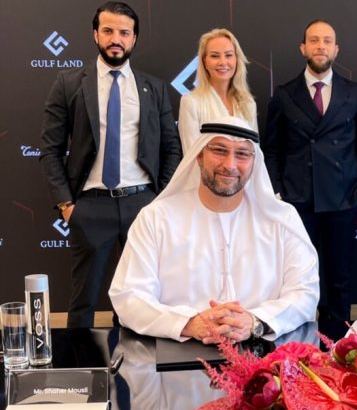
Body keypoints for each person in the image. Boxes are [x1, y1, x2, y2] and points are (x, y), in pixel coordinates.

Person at [109, 117, 319, 342]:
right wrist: (189, 323)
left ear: (254, 162)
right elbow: (129, 296)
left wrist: (254, 321)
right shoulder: (156, 217)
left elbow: (304, 292)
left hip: (261, 351)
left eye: (242, 154)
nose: (230, 165)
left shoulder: (282, 219)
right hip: (178, 353)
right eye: (220, 150)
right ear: (199, 156)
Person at [40, 1, 182, 328]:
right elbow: (50, 149)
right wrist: (67, 205)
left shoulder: (154, 88)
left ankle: (132, 364)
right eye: (108, 31)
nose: (116, 39)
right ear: (95, 34)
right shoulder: (69, 83)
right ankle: (80, 362)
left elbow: (171, 148)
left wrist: (158, 200)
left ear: (134, 38)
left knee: (141, 302)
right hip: (90, 206)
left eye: (124, 32)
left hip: (142, 205)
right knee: (83, 302)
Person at [263, 20, 357, 336]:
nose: (320, 46)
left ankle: (338, 341)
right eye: (314, 40)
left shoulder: (353, 92)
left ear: (336, 49)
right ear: (303, 48)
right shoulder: (284, 95)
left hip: (343, 197)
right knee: (298, 276)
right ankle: (299, 340)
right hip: (298, 200)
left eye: (327, 41)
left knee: (340, 276)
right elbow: (271, 149)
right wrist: (278, 192)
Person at [178, 28, 258, 153]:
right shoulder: (191, 102)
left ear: (236, 60)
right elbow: (192, 155)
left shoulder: (248, 103)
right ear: (204, 62)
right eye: (215, 56)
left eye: (228, 55)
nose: (222, 62)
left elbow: (255, 152)